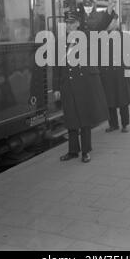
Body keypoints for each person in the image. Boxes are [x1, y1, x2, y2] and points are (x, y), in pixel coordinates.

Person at [53, 11, 109, 163]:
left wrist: (108, 13)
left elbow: (100, 27)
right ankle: (73, 151)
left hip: (83, 85)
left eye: (72, 23)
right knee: (71, 119)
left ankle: (85, 151)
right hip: (67, 86)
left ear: (78, 24)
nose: (69, 26)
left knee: (84, 119)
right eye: (67, 23)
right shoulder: (61, 42)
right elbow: (57, 67)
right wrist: (56, 88)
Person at [100, 14, 130, 133]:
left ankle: (125, 124)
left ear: (116, 22)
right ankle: (113, 124)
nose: (110, 24)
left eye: (112, 21)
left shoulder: (125, 37)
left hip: (120, 74)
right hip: (107, 74)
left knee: (123, 101)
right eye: (108, 22)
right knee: (110, 101)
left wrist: (126, 67)